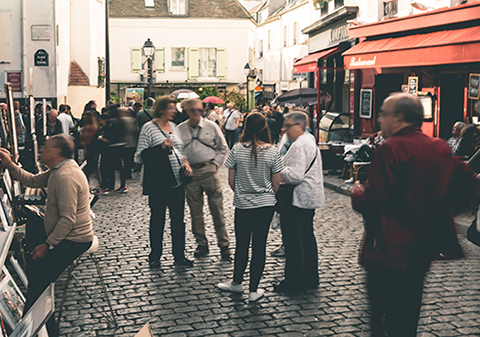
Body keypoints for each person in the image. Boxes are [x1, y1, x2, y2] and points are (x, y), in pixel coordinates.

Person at [350, 92, 479, 337]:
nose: (379, 120)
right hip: (422, 246)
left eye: (384, 114)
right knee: (408, 317)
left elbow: (373, 200)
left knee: (381, 320)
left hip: (387, 248)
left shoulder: (392, 148)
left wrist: (357, 194)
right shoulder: (438, 146)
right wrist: (444, 210)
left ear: (399, 117)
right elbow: (470, 183)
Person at [0, 135, 94, 336]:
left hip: (73, 241)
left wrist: (47, 245)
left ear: (57, 152)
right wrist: (9, 164)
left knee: (38, 282)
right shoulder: (58, 170)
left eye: (46, 147)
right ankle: (45, 330)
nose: (41, 150)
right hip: (67, 238)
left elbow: (67, 220)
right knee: (38, 278)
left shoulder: (65, 176)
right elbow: (30, 179)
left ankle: (28, 331)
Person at [217, 112, 284, 302]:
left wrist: (243, 192)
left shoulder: (237, 150)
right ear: (265, 128)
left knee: (242, 245)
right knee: (259, 246)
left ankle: (237, 282)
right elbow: (276, 183)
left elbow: (231, 181)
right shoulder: (272, 151)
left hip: (243, 205)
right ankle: (254, 289)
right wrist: (266, 194)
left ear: (245, 127)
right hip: (265, 206)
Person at [136, 96, 193, 268]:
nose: (174, 111)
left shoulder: (174, 127)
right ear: (161, 109)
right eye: (171, 108)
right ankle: (155, 256)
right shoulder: (148, 128)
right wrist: (160, 148)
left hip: (177, 182)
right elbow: (140, 156)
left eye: (175, 108)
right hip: (158, 183)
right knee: (157, 220)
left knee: (178, 220)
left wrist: (186, 163)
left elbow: (181, 150)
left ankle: (179, 256)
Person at [274, 110, 324, 293]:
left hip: (298, 198)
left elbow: (295, 175)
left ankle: (295, 282)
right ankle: (311, 278)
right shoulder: (309, 140)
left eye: (288, 126)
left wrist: (277, 169)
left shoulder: (299, 144)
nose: (285, 130)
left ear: (300, 125)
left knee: (293, 239)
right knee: (306, 237)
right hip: (309, 197)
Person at [177, 98, 230, 260]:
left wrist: (214, 165)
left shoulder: (211, 127)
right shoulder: (180, 129)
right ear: (186, 111)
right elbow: (178, 151)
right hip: (190, 173)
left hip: (208, 170)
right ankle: (201, 244)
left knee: (217, 209)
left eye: (199, 110)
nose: (196, 113)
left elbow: (223, 148)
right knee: (195, 211)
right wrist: (184, 163)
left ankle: (224, 245)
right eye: (192, 110)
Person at [98, 105, 127, 194]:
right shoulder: (122, 121)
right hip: (120, 146)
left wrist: (101, 138)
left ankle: (105, 186)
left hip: (110, 148)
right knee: (119, 167)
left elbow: (110, 137)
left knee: (105, 167)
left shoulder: (111, 123)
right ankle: (121, 186)